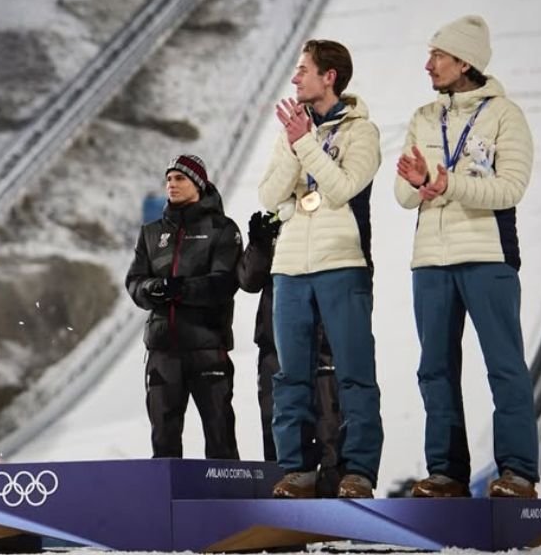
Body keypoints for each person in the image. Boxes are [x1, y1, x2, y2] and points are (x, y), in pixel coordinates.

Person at [394, 15, 538, 499]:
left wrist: (447, 183)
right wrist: (417, 184)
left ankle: (518, 474)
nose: (428, 65)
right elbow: (402, 193)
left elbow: (510, 188)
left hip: (488, 257)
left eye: (438, 55)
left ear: (465, 61)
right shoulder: (422, 116)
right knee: (434, 369)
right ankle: (446, 474)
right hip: (430, 261)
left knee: (504, 365)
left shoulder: (504, 115)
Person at [257, 39, 382, 499]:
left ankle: (359, 471)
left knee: (353, 370)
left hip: (341, 261)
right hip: (289, 265)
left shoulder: (361, 131)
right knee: (290, 375)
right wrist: (296, 144)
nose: (295, 78)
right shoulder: (292, 131)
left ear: (329, 76)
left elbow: (342, 188)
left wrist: (304, 143)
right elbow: (269, 197)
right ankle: (296, 471)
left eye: (303, 70)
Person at [126, 155, 243, 459]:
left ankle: (229, 503)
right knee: (163, 439)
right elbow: (135, 282)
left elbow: (224, 283)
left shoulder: (223, 228)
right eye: (169, 179)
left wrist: (181, 288)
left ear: (198, 184)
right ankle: (164, 504)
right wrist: (153, 288)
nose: (172, 185)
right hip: (162, 350)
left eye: (180, 179)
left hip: (207, 346)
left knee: (220, 436)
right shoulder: (151, 233)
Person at [239, 211, 341, 497]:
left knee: (329, 427)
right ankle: (282, 512)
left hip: (322, 342)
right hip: (274, 344)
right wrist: (259, 243)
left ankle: (337, 515)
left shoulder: (328, 211)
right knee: (276, 425)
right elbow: (248, 280)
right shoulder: (273, 221)